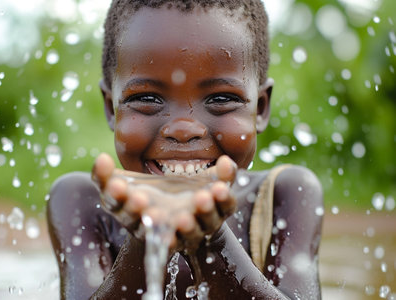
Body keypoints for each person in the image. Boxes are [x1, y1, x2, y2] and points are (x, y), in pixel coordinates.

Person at [47, 0, 324, 299]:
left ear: (259, 108)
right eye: (148, 98)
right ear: (111, 108)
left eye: (220, 99)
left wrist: (213, 240)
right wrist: (143, 238)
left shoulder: (284, 195)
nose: (183, 129)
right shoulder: (82, 202)